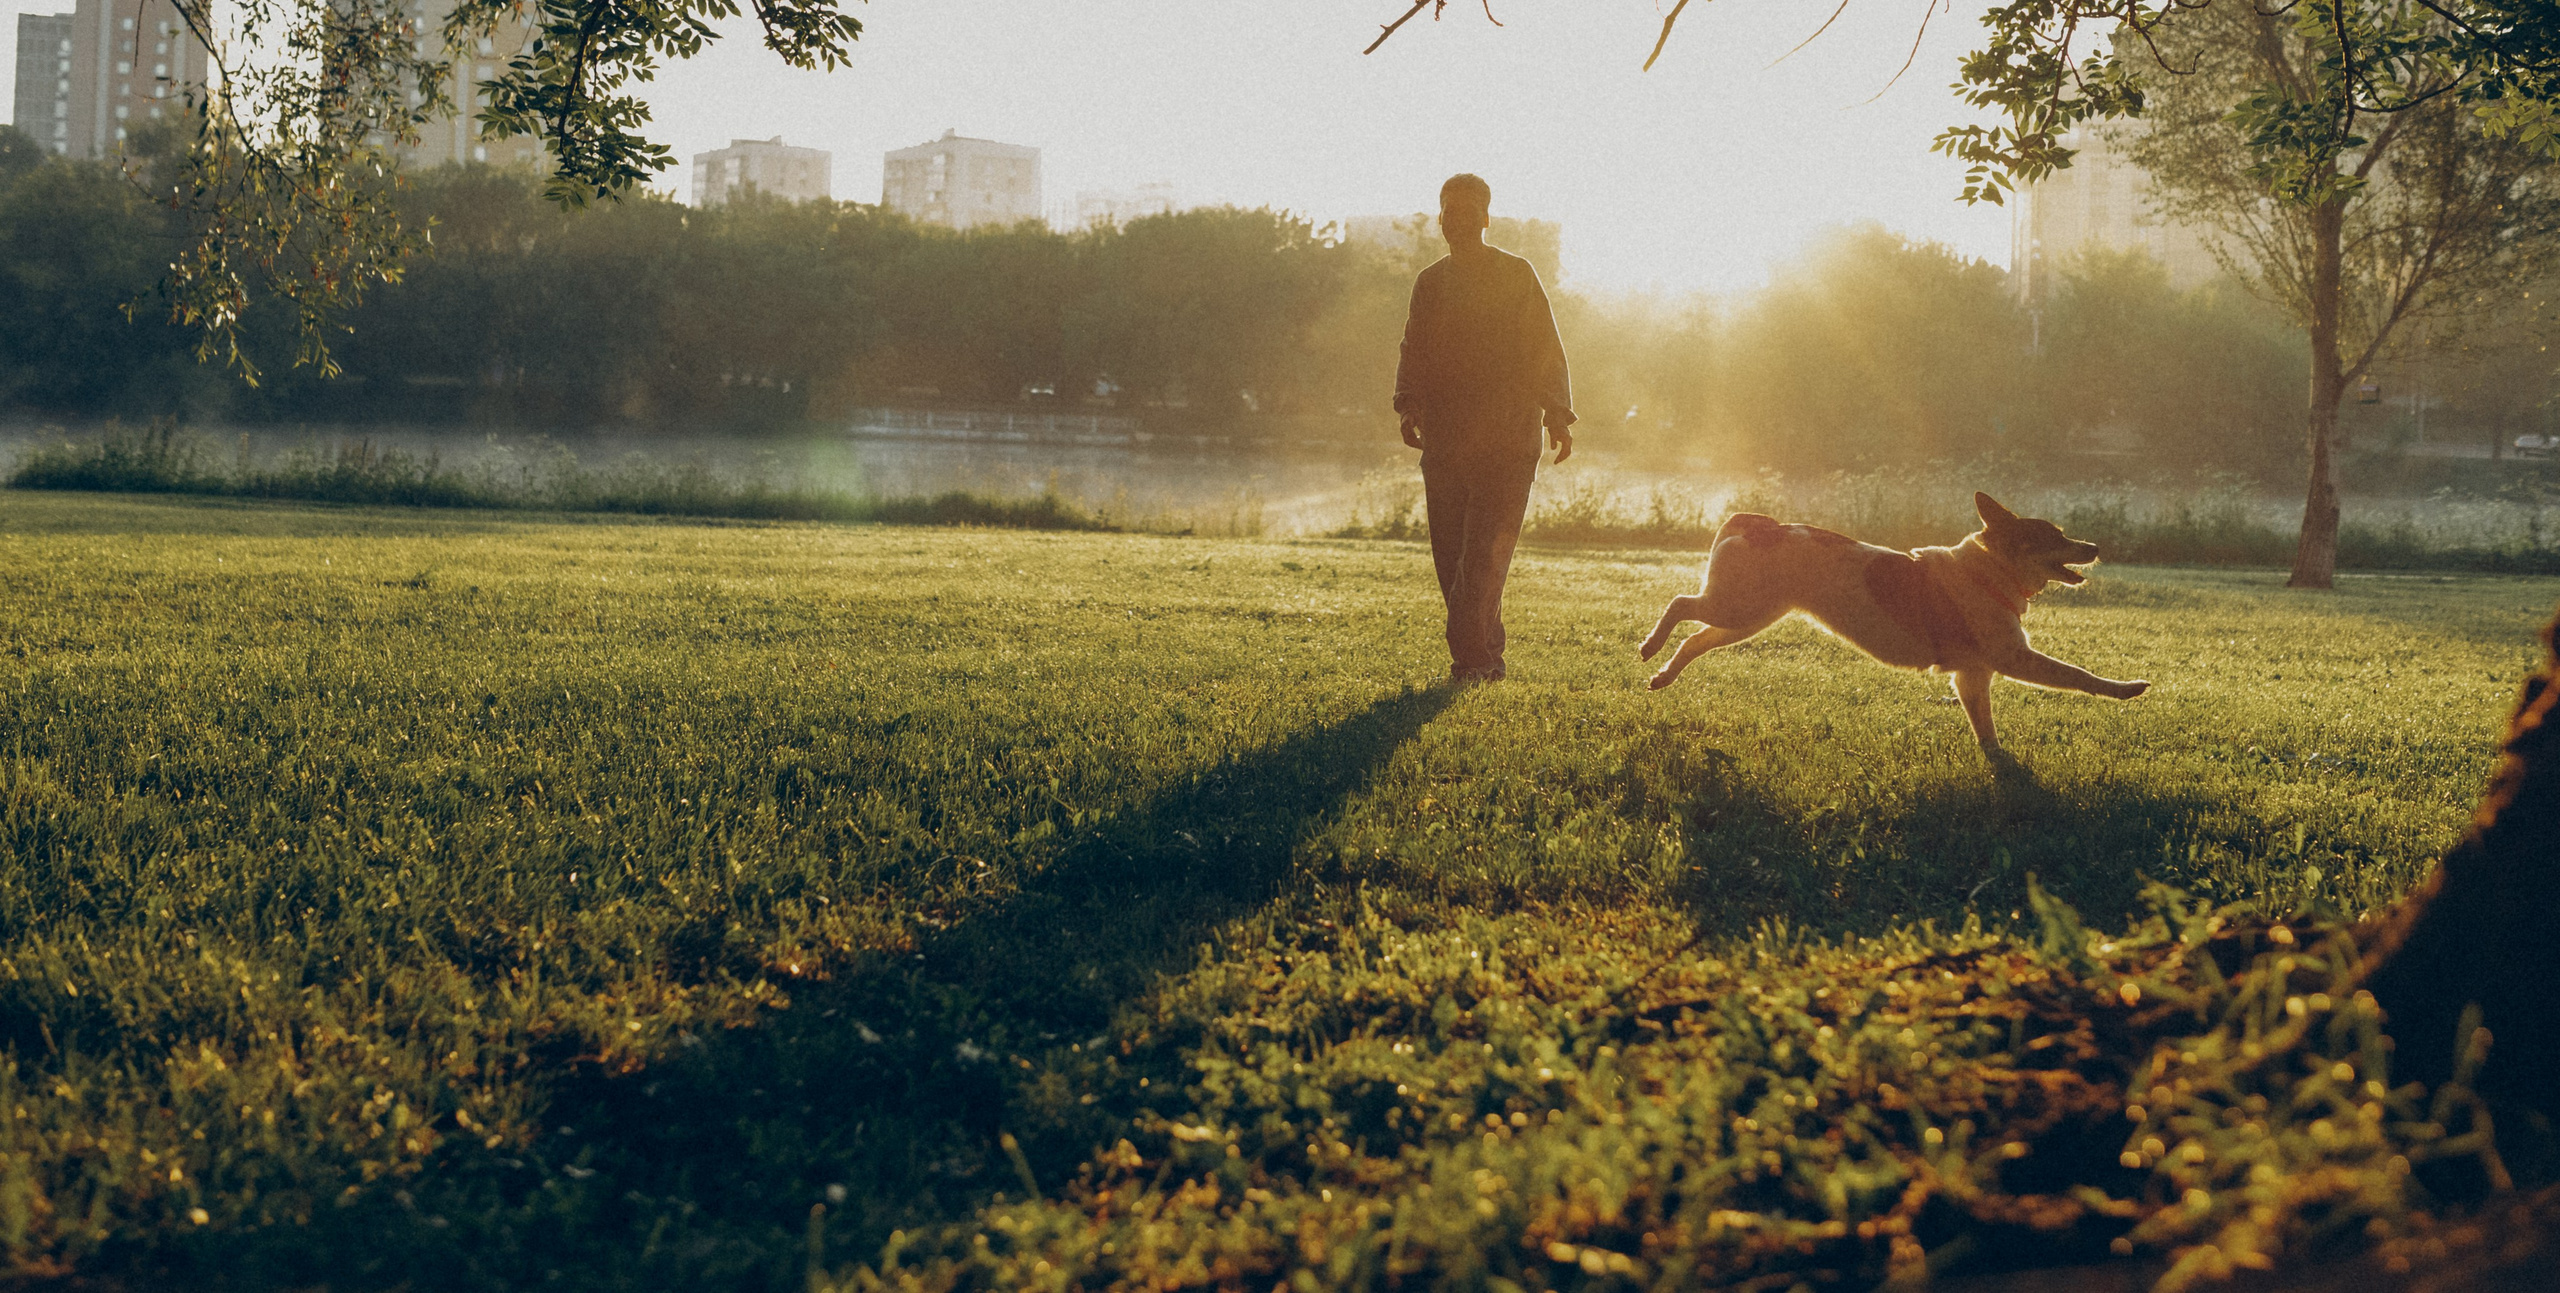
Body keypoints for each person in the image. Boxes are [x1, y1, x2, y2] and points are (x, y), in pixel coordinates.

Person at [1393, 173, 1576, 684]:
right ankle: (1487, 656)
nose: (1460, 219)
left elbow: (1545, 346)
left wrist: (1557, 413)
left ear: (1487, 218)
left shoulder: (1517, 275)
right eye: (1451, 210)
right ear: (1441, 220)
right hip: (1447, 443)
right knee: (1452, 559)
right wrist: (1408, 405)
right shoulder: (1430, 284)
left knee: (1481, 561)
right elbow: (1415, 350)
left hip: (1509, 442)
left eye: (1471, 210)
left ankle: (1470, 663)